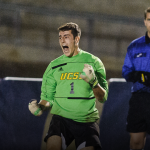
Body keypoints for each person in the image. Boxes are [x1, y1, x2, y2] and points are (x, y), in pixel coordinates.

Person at [28, 22, 108, 150]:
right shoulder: (53, 66)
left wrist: (93, 82)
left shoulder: (94, 62)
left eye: (66, 36)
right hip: (61, 120)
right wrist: (40, 107)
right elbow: (48, 99)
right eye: (60, 37)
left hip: (86, 121)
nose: (62, 40)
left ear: (76, 39)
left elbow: (102, 97)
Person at [122, 7, 150, 150]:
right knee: (136, 142)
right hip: (139, 100)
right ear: (145, 21)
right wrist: (140, 76)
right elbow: (126, 72)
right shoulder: (135, 45)